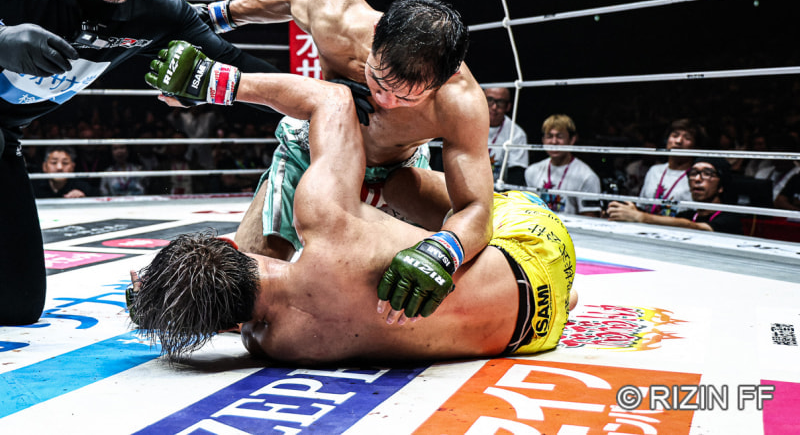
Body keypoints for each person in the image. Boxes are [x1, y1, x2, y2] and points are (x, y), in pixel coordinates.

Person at [129, 73, 577, 364]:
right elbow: (332, 98)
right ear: (228, 245)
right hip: (536, 240)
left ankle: (567, 295)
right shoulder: (322, 218)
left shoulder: (274, 345)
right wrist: (213, 80)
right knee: (397, 180)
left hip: (536, 329)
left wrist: (166, 303)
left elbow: (240, 320)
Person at [0, 0, 277, 325]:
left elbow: (236, 66)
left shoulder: (153, 11)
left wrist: (327, 99)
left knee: (18, 305)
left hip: (6, 134)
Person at [175, 0, 494, 288]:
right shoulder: (338, 17)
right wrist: (218, 16)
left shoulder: (460, 104)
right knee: (246, 283)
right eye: (377, 79)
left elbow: (476, 208)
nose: (385, 101)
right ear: (375, 32)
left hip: (396, 174)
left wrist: (441, 252)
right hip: (311, 151)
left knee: (407, 288)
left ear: (446, 78)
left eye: (406, 97)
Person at [607, 157, 743, 235]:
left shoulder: (729, 219)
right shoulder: (687, 215)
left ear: (721, 186)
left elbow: (698, 228)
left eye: (707, 174)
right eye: (693, 173)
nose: (697, 179)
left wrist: (640, 217)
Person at [524, 114, 602, 217]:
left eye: (560, 136)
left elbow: (589, 219)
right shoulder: (531, 171)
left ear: (572, 140)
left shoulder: (587, 177)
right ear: (543, 140)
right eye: (549, 136)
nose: (554, 142)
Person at [637, 118, 705, 216]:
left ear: (696, 147)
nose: (678, 141)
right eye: (675, 135)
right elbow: (642, 205)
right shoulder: (654, 170)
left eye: (687, 138)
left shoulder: (697, 177)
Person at [485, 86, 528, 186]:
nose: (494, 107)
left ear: (508, 107)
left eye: (500, 102)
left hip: (498, 189)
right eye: (489, 100)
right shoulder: (466, 125)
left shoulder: (517, 134)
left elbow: (516, 175)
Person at [32, 145, 97, 198]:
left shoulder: (83, 188)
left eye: (65, 163)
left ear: (72, 167)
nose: (59, 167)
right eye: (54, 162)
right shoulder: (33, 189)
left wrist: (83, 198)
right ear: (44, 166)